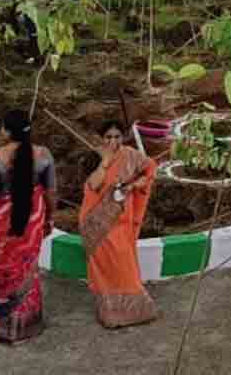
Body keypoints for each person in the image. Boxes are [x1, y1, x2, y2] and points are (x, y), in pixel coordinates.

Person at [0, 111, 56, 342]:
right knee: (28, 266)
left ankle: (1, 322)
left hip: (2, 221)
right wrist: (50, 218)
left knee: (3, 267)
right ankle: (27, 321)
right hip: (33, 218)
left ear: (8, 132)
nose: (0, 132)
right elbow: (51, 192)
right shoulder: (44, 155)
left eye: (2, 128)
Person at [79, 120, 158, 329]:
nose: (113, 141)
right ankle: (111, 314)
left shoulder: (130, 155)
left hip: (121, 220)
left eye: (117, 136)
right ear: (101, 138)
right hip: (96, 222)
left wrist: (134, 185)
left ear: (123, 137)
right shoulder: (94, 156)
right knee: (105, 269)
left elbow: (149, 171)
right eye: (108, 137)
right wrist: (104, 163)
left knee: (124, 265)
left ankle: (136, 311)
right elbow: (93, 185)